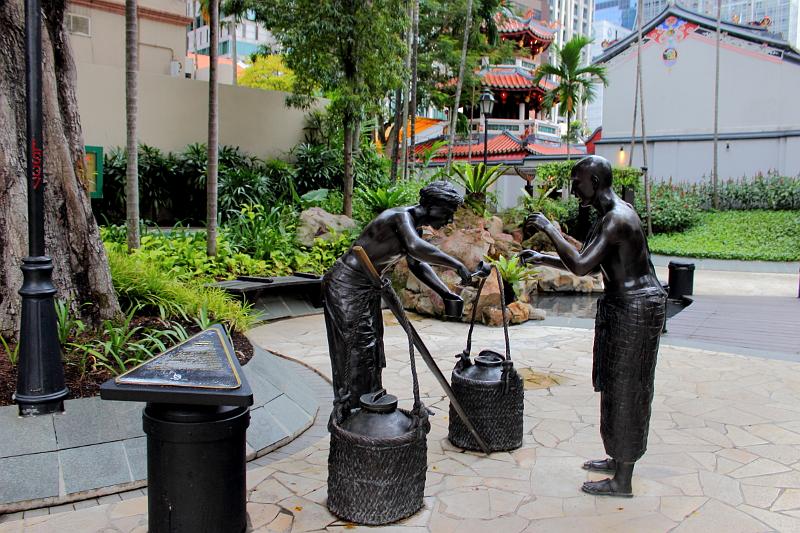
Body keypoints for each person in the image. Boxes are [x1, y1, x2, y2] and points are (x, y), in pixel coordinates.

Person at [520, 155, 666, 498]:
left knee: (628, 388)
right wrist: (543, 258)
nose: (573, 187)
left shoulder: (617, 218)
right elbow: (588, 260)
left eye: (577, 181)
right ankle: (617, 458)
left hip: (636, 307)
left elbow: (582, 266)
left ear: (595, 183)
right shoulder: (608, 215)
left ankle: (623, 479)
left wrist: (550, 230)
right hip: (623, 306)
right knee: (613, 383)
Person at [323, 181, 476, 416]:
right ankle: (352, 410)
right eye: (447, 213)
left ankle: (370, 402)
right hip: (347, 284)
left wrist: (446, 292)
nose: (449, 221)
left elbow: (418, 264)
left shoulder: (414, 226)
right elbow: (415, 248)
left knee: (372, 347)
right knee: (356, 348)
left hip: (368, 285)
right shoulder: (399, 216)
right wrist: (456, 264)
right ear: (432, 206)